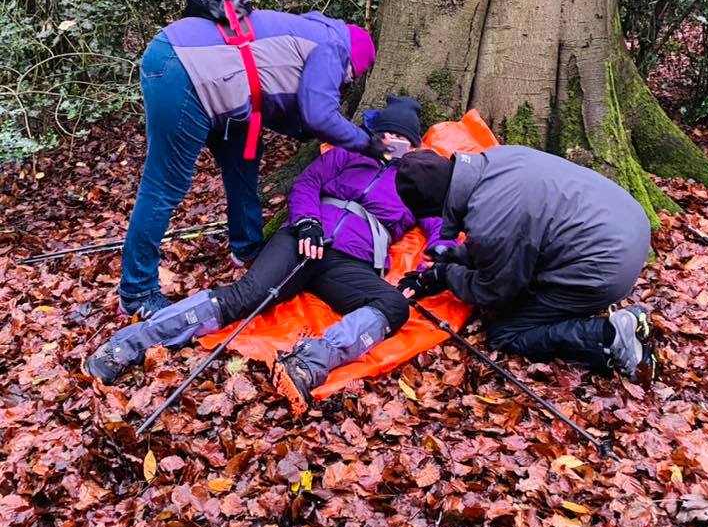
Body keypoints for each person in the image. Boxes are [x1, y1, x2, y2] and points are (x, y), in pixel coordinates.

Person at [87, 96, 447, 415]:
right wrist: (307, 222)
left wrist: (436, 258)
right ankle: (129, 345)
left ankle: (307, 365)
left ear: (414, 144)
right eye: (387, 135)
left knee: (393, 305)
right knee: (246, 296)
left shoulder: (416, 177)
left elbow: (439, 226)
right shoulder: (346, 153)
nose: (392, 143)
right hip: (303, 239)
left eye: (401, 138)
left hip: (349, 261)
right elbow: (308, 184)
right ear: (375, 135)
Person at [119, 0, 382, 319]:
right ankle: (137, 291)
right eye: (352, 75)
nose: (347, 81)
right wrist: (368, 144)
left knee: (243, 164)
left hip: (223, 88)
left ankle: (247, 247)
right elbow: (320, 115)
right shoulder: (333, 48)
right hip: (181, 69)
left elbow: (284, 98)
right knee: (165, 185)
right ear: (355, 60)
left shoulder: (312, 31)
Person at [395, 147, 656, 381]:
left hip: (606, 266)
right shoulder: (496, 158)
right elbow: (512, 236)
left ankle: (609, 335)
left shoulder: (491, 221)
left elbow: (494, 291)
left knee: (505, 333)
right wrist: (458, 256)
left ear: (436, 205)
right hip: (626, 223)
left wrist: (448, 275)